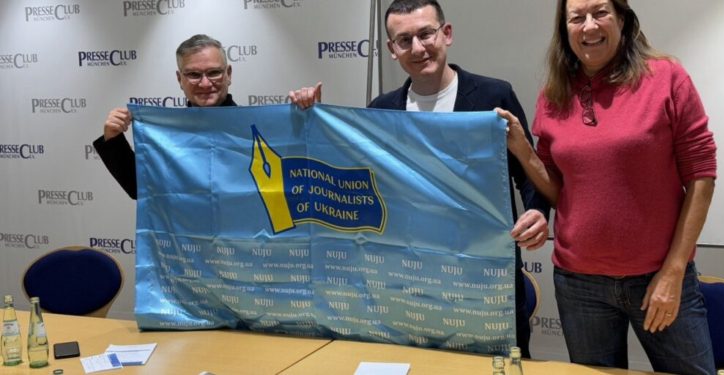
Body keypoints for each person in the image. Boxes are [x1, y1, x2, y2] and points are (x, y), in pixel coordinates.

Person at [291, 0, 550, 358]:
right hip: (409, 281)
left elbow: (527, 168)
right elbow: (352, 181)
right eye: (404, 39)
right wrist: (310, 119)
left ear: (446, 34)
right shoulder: (381, 110)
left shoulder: (493, 96)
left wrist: (537, 212)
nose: (418, 47)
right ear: (391, 50)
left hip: (485, 276)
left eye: (426, 34)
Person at [501, 0, 716, 373]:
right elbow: (559, 191)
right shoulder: (554, 92)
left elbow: (702, 173)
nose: (589, 26)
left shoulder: (666, 77)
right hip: (579, 285)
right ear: (565, 29)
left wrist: (674, 270)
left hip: (658, 277)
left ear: (622, 19)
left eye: (600, 12)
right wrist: (522, 148)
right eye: (576, 17)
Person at [93, 34, 314, 199]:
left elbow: (301, 178)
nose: (205, 83)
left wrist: (310, 117)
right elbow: (140, 189)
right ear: (180, 79)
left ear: (228, 74)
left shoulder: (261, 127)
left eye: (214, 72)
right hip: (189, 254)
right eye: (194, 74)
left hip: (250, 252)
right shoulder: (166, 136)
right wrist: (113, 139)